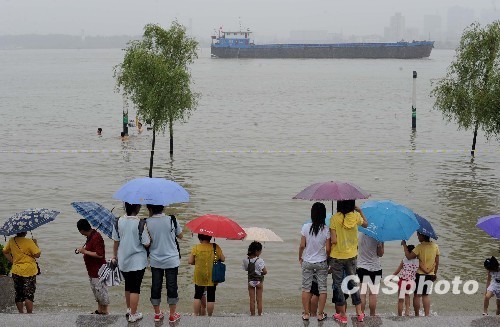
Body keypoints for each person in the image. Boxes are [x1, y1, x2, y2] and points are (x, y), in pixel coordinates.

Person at [329, 200, 368, 323]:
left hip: (337, 256)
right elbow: (366, 224)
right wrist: (360, 211)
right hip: (351, 256)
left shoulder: (334, 218)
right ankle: (359, 313)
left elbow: (334, 240)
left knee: (339, 285)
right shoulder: (355, 216)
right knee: (353, 283)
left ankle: (343, 315)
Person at [112, 202, 150, 322]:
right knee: (135, 288)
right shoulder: (140, 223)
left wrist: (114, 256)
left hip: (123, 260)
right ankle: (133, 314)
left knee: (128, 286)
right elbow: (146, 243)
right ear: (137, 208)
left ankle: (129, 309)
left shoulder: (118, 221)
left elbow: (116, 241)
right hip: (138, 261)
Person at [146, 204, 183, 323]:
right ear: (163, 207)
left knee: (156, 285)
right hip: (171, 259)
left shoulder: (146, 222)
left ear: (149, 208)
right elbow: (181, 236)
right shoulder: (172, 219)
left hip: (155, 260)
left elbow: (146, 241)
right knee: (172, 286)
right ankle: (172, 315)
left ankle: (157, 314)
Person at [299, 202, 331, 322]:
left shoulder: (305, 227)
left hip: (307, 261)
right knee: (322, 289)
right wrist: (328, 260)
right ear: (323, 215)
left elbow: (302, 245)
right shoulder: (326, 229)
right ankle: (320, 314)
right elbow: (328, 249)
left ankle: (306, 314)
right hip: (321, 261)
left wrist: (299, 257)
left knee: (306, 288)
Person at [402, 232, 440, 317]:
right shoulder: (435, 246)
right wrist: (435, 273)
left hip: (420, 275)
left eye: (418, 235)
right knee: (426, 295)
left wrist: (404, 245)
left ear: (423, 236)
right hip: (430, 274)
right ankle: (427, 315)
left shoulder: (419, 247)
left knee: (417, 295)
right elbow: (437, 262)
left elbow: (408, 256)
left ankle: (417, 315)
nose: (417, 236)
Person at [2, 232, 41, 313]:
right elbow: (37, 255)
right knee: (29, 294)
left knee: (19, 294)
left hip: (16, 270)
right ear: (26, 232)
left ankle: (21, 313)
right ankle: (29, 314)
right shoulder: (29, 241)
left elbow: (5, 251)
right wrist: (36, 243)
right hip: (29, 271)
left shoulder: (12, 240)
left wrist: (13, 261)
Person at [76, 219, 109, 315]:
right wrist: (82, 250)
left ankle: (105, 311)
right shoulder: (90, 236)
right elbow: (91, 249)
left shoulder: (96, 237)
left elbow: (100, 254)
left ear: (81, 230)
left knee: (101, 291)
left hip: (98, 270)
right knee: (97, 292)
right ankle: (99, 310)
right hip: (92, 270)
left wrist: (85, 251)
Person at [188, 234, 225, 316]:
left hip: (199, 275)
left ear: (200, 239)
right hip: (213, 275)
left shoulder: (196, 247)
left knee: (197, 295)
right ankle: (210, 315)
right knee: (211, 296)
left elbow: (190, 261)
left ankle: (195, 314)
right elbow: (223, 259)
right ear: (210, 237)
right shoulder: (215, 247)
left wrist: (196, 262)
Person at [357, 233, 384, 316]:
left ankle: (361, 314)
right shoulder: (378, 236)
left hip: (362, 267)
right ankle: (372, 314)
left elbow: (357, 249)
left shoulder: (360, 235)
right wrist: (381, 244)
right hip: (375, 268)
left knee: (362, 293)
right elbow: (380, 254)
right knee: (373, 294)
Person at [242, 241, 267, 316]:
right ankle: (259, 314)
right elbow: (265, 271)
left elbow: (246, 269)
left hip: (250, 282)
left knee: (251, 300)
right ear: (256, 251)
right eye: (260, 251)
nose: (261, 252)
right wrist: (260, 273)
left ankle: (252, 315)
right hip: (259, 282)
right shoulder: (260, 260)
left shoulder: (246, 260)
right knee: (259, 300)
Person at [392, 244, 418, 316]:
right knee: (407, 297)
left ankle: (399, 315)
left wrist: (391, 277)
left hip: (403, 280)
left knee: (400, 300)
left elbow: (398, 270)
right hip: (411, 282)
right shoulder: (418, 261)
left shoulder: (404, 260)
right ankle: (407, 313)